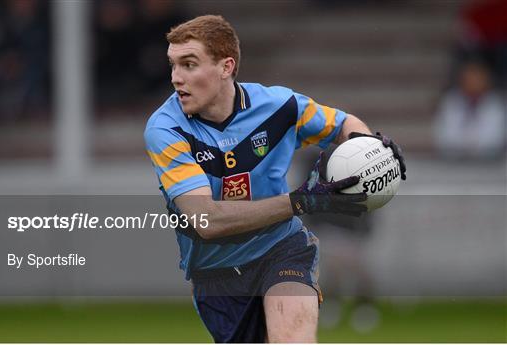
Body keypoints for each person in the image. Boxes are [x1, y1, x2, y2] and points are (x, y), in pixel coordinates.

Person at [144, 15, 406, 343]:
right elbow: (206, 220)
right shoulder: (166, 130)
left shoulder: (280, 106)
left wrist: (369, 149)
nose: (176, 78)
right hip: (217, 276)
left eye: (189, 64)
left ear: (226, 67)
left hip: (281, 249)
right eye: (173, 65)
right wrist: (298, 201)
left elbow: (342, 125)